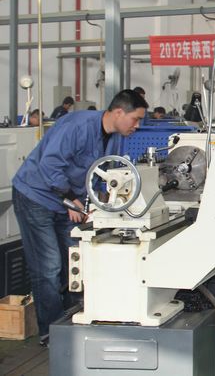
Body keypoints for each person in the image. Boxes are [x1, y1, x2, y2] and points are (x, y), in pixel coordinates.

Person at [12, 89, 148, 346]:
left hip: (68, 200)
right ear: (119, 112)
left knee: (75, 258)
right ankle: (51, 332)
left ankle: (73, 319)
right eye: (136, 119)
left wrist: (97, 202)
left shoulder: (114, 138)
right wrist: (71, 199)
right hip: (37, 196)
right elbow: (50, 165)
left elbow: (99, 172)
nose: (137, 126)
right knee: (48, 266)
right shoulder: (76, 126)